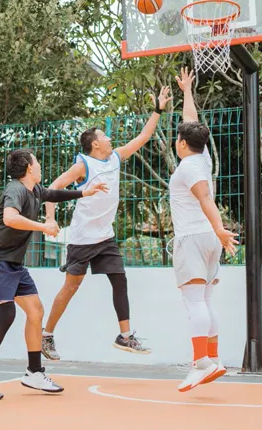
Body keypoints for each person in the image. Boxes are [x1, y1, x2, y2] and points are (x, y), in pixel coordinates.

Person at [0, 148, 109, 400]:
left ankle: (34, 372)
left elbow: (55, 193)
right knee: (6, 314)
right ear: (29, 167)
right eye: (37, 162)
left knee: (36, 312)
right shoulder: (15, 189)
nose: (40, 166)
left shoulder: (35, 190)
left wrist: (86, 191)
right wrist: (43, 226)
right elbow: (10, 218)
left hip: (14, 264)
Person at [39, 86, 173, 361]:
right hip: (82, 238)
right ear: (94, 143)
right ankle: (47, 335)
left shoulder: (115, 157)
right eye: (104, 136)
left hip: (105, 237)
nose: (109, 138)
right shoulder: (83, 166)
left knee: (119, 279)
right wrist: (50, 218)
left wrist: (157, 109)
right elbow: (52, 188)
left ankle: (125, 336)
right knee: (71, 287)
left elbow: (144, 136)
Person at [168, 67, 238, 392]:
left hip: (194, 237)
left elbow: (206, 198)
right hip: (207, 238)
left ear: (181, 144)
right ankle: (212, 359)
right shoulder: (203, 156)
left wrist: (222, 228)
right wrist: (186, 91)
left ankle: (201, 364)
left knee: (194, 302)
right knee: (205, 300)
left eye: (177, 137)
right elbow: (192, 123)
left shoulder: (187, 167)